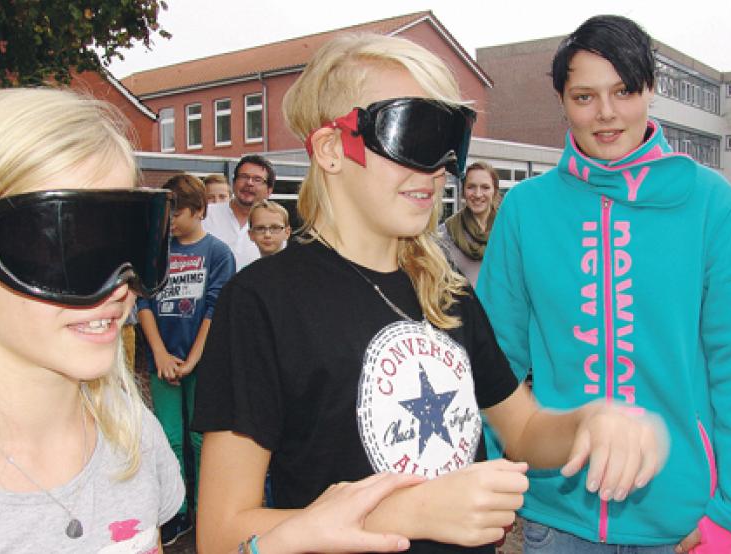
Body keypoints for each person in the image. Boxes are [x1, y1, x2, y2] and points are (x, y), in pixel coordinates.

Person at [0, 87, 440, 554]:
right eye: (69, 247)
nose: (117, 288)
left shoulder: (131, 439)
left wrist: (285, 537)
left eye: (131, 240)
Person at [191, 33, 667, 554]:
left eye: (450, 139)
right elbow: (222, 531)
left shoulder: (446, 290)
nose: (438, 167)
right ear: (331, 148)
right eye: (412, 132)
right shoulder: (262, 301)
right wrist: (405, 513)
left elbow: (524, 427)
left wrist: (591, 422)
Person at [476, 15, 731, 554]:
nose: (606, 113)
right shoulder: (524, 208)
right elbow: (494, 362)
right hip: (558, 516)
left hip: (682, 520)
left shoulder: (713, 205)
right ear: (562, 102)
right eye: (585, 96)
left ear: (651, 90)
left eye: (624, 91)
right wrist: (493, 476)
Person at [135, 173, 235, 545]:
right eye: (166, 215)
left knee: (199, 440)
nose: (170, 222)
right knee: (169, 439)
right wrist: (160, 353)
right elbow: (144, 301)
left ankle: (203, 508)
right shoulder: (156, 250)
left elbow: (214, 309)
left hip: (202, 362)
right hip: (164, 360)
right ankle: (177, 513)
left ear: (198, 211)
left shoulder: (218, 253)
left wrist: (193, 360)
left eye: (176, 214)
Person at [202, 155, 276, 269]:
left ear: (269, 191)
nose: (249, 183)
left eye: (257, 179)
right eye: (244, 177)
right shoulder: (205, 215)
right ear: (234, 182)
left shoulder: (275, 227)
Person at [438, 161, 499, 288]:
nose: (477, 194)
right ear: (463, 191)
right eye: (471, 187)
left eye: (485, 187)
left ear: (494, 191)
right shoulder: (445, 234)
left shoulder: (507, 230)